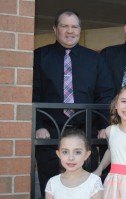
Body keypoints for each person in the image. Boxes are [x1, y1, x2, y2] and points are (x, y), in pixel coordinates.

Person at [32, 9, 114, 197]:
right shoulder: (39, 56)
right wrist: (38, 126)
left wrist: (104, 126)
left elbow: (105, 94)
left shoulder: (95, 59)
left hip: (86, 129)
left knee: (86, 184)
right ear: (55, 29)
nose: (70, 31)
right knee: (50, 183)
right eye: (64, 26)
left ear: (80, 29)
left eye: (74, 26)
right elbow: (33, 93)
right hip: (49, 131)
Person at [45, 128, 103, 199]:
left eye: (77, 152)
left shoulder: (94, 182)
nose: (71, 158)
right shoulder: (52, 183)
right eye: (65, 152)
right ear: (59, 154)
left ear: (86, 155)